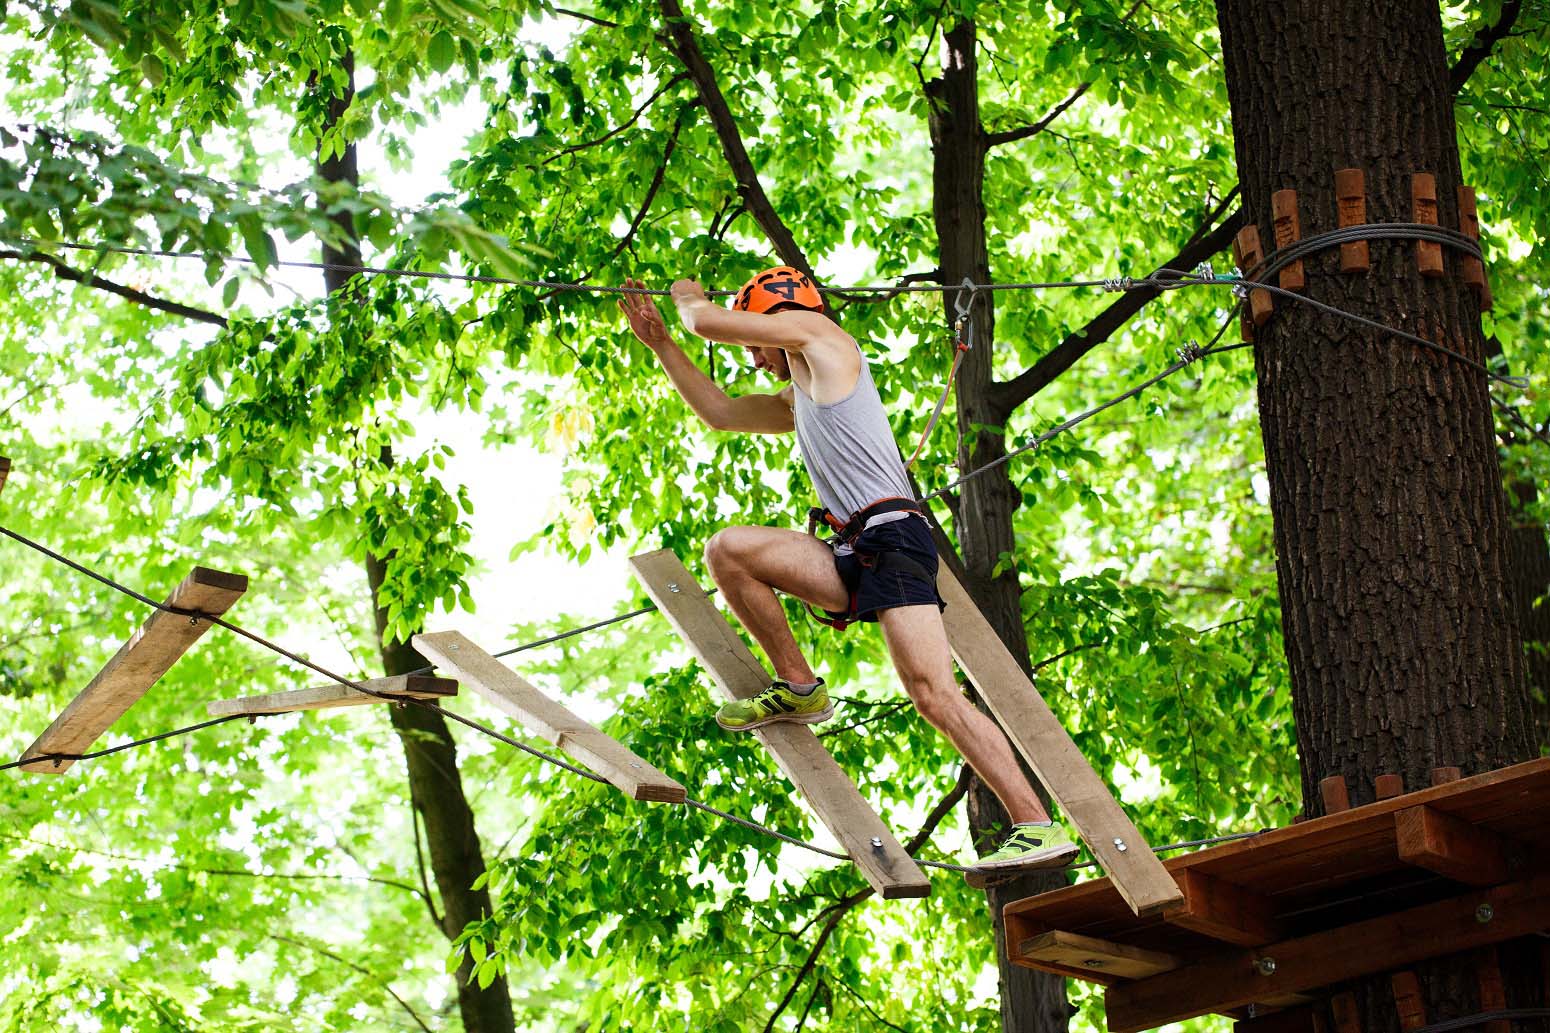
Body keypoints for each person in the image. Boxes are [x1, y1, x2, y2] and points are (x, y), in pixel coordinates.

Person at [618, 266, 1077, 871]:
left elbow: (705, 317)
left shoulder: (824, 341)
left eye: (756, 342)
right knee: (729, 550)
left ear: (775, 314)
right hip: (853, 549)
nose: (756, 358)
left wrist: (682, 294)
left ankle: (1037, 825)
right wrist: (664, 346)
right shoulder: (804, 392)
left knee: (933, 695)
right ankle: (801, 689)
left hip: (896, 541)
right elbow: (723, 414)